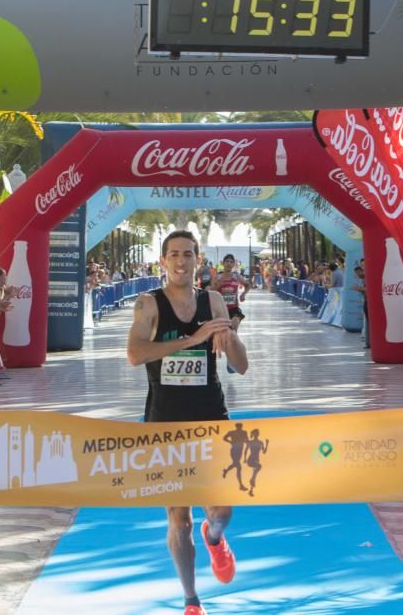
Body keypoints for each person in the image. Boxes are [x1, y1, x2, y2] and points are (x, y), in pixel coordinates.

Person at [127, 230, 248, 615]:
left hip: (212, 418)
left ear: (199, 260)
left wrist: (229, 336)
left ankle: (214, 540)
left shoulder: (212, 301)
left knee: (221, 512)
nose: (181, 261)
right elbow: (135, 354)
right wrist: (190, 339)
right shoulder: (149, 304)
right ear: (163, 261)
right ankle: (191, 600)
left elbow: (241, 367)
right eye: (174, 254)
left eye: (189, 254)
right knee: (178, 520)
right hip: (165, 422)